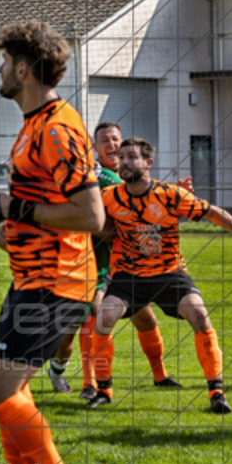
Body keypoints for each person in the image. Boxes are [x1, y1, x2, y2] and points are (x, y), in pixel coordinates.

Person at [0, 21, 100, 464]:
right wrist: (16, 228)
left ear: (24, 68)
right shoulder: (36, 124)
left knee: (0, 392)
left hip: (57, 282)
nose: (1, 70)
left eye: (5, 61)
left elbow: (91, 215)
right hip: (31, 278)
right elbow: (50, 204)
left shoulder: (56, 128)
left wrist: (15, 209)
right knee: (1, 392)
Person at [95, 138, 232, 414]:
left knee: (199, 314)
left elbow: (209, 211)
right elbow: (89, 217)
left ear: (148, 163)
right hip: (129, 276)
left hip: (169, 273)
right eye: (122, 157)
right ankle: (103, 390)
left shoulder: (170, 194)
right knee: (104, 317)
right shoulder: (110, 196)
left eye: (132, 157)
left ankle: (217, 391)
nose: (124, 162)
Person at [64, 122, 183, 403]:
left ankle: (160, 376)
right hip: (91, 263)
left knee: (144, 317)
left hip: (124, 265)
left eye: (116, 139)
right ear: (95, 148)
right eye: (105, 140)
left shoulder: (124, 180)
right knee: (94, 316)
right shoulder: (103, 178)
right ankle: (89, 383)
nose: (112, 145)